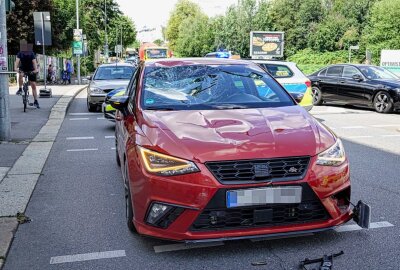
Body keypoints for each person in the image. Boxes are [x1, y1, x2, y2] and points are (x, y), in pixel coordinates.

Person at [15, 40, 40, 108]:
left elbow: (34, 62)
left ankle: (36, 101)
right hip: (23, 68)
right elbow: (17, 62)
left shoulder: (31, 53)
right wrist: (15, 68)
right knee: (20, 74)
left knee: (33, 85)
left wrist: (35, 70)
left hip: (31, 69)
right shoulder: (20, 53)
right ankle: (20, 89)